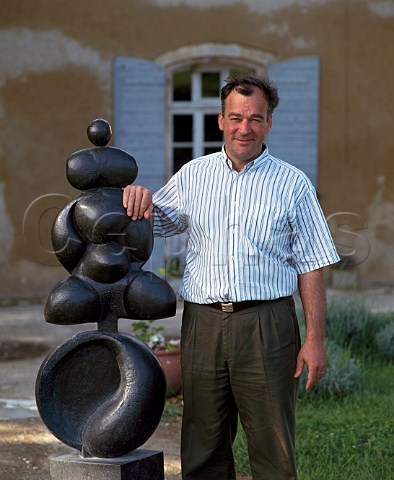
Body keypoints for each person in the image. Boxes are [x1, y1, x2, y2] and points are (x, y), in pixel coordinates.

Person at [123, 76, 339, 479]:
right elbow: (154, 220)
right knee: (203, 447)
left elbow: (312, 262)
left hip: (267, 326)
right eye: (236, 117)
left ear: (269, 123)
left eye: (255, 118)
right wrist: (138, 196)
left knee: (273, 450)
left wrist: (314, 340)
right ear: (221, 120)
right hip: (203, 325)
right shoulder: (193, 175)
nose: (245, 128)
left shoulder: (292, 184)